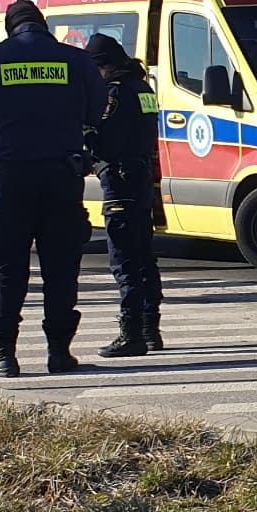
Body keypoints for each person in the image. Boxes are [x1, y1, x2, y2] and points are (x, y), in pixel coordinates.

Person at [0, 0, 104, 377]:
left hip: (11, 179)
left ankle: (2, 355)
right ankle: (60, 353)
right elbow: (96, 109)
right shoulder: (75, 60)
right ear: (43, 25)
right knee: (61, 268)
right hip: (62, 179)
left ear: (9, 27)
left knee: (6, 269)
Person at [84, 32, 163, 356]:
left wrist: (87, 143)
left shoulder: (114, 94)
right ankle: (150, 328)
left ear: (104, 66)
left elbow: (106, 140)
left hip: (119, 179)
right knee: (144, 256)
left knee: (124, 259)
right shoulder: (143, 88)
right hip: (141, 176)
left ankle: (131, 334)